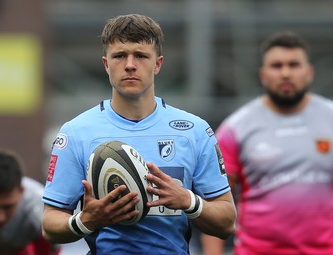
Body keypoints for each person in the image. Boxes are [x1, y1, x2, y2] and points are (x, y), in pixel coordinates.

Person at [41, 13, 236, 255]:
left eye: (141, 56)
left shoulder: (194, 131)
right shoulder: (77, 133)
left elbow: (227, 221)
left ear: (158, 64)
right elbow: (49, 224)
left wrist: (188, 200)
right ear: (106, 64)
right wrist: (85, 221)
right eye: (120, 55)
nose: (130, 64)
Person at [201, 31, 333, 254]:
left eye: (293, 65)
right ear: (263, 75)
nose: (285, 73)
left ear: (309, 72)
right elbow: (213, 201)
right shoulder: (236, 128)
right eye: (277, 65)